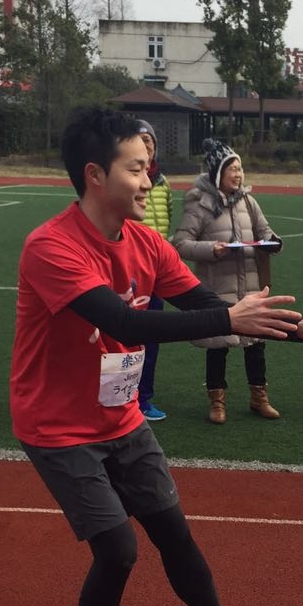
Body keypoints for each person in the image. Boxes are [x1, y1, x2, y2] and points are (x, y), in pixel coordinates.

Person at [9, 106, 303, 606]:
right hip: (58, 429)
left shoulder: (146, 243)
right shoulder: (51, 248)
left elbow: (201, 302)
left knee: (174, 534)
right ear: (95, 175)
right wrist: (228, 317)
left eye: (150, 168)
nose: (150, 181)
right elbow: (125, 321)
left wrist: (297, 330)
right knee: (118, 549)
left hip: (119, 417)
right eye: (137, 169)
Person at [173, 138, 284, 424]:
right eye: (232, 169)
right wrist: (211, 249)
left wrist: (272, 241)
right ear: (217, 173)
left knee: (256, 343)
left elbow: (265, 230)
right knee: (217, 345)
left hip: (250, 286)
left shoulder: (248, 201)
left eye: (240, 168)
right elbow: (181, 243)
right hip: (216, 289)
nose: (238, 174)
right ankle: (217, 402)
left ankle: (259, 398)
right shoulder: (200, 205)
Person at [135, 119, 172, 422]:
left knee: (152, 337)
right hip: (130, 270)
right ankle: (118, 396)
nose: (145, 144)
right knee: (122, 337)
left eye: (149, 140)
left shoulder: (163, 183)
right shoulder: (124, 180)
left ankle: (143, 398)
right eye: (139, 139)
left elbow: (167, 218)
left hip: (156, 271)